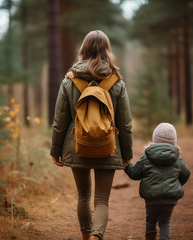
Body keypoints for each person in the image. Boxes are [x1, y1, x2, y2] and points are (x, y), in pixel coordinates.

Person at [50, 30, 133, 240]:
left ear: (83, 49)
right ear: (107, 50)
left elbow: (60, 121)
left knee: (83, 196)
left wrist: (56, 151)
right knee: (102, 200)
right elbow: (125, 123)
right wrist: (127, 154)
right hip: (108, 146)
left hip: (77, 146)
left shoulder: (69, 80)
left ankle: (86, 237)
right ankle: (97, 237)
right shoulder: (117, 82)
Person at [123, 123, 190, 240]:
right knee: (165, 223)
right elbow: (186, 173)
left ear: (155, 139)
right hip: (170, 199)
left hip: (151, 199)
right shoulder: (177, 158)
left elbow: (135, 173)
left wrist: (128, 167)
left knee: (150, 222)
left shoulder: (147, 156)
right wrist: (175, 184)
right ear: (174, 141)